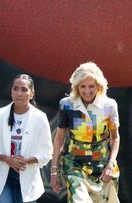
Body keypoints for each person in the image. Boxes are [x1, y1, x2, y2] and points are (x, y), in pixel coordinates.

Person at [50, 62, 120, 203]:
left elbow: (115, 138)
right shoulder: (67, 104)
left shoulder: (109, 105)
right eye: (83, 86)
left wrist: (111, 164)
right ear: (76, 87)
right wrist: (54, 171)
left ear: (99, 86)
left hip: (103, 166)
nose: (87, 91)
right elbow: (59, 139)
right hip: (74, 164)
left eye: (91, 86)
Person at [0, 74, 53, 203]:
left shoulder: (40, 118)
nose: (19, 93)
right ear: (11, 92)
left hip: (28, 177)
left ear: (32, 93)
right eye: (15, 88)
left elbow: (47, 152)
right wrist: (7, 159)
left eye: (24, 89)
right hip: (3, 176)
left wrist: (26, 161)